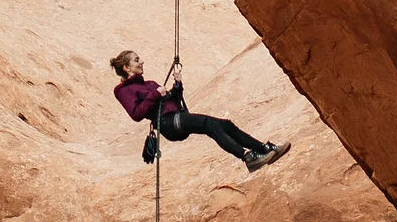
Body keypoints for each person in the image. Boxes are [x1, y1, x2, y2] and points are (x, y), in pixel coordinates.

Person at [110, 49, 289, 173]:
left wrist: (177, 85)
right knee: (209, 125)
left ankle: (263, 149)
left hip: (177, 118)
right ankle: (247, 157)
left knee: (226, 125)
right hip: (168, 124)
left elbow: (171, 99)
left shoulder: (149, 84)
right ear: (126, 68)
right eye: (136, 60)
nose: (141, 62)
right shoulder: (123, 91)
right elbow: (136, 113)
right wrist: (155, 95)